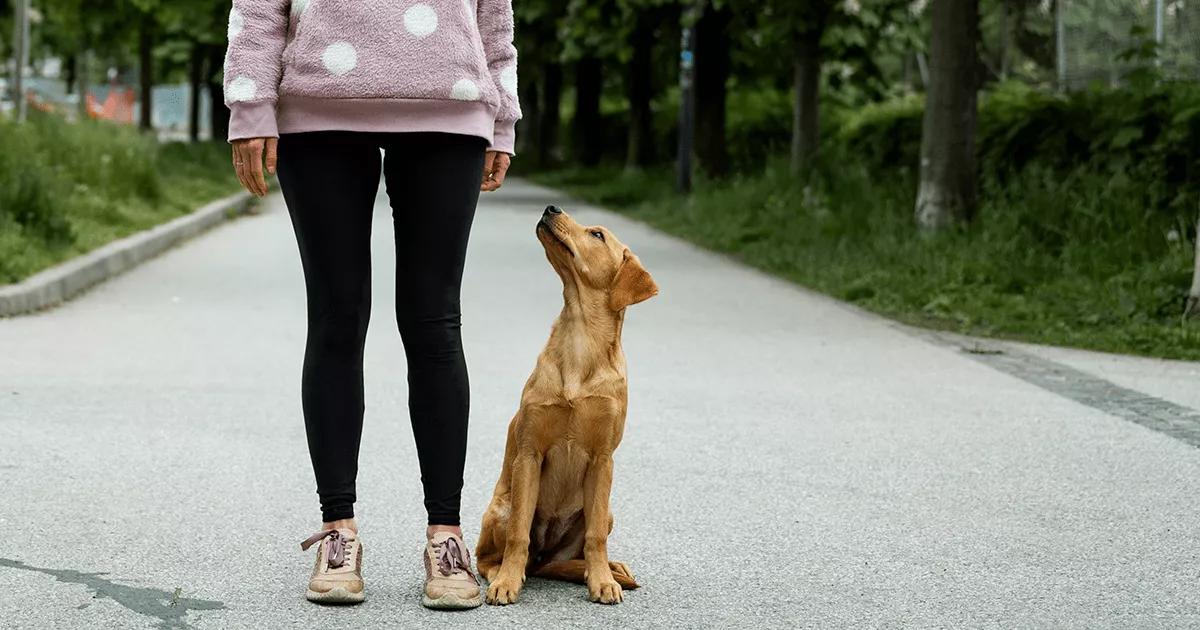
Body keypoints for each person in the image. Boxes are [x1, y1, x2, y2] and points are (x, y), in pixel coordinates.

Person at [222, 0, 520, 609]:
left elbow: (496, 12)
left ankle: (447, 537)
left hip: (450, 100)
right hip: (318, 105)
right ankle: (339, 531)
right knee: (335, 319)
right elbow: (256, 6)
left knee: (434, 323)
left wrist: (502, 115)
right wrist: (250, 103)